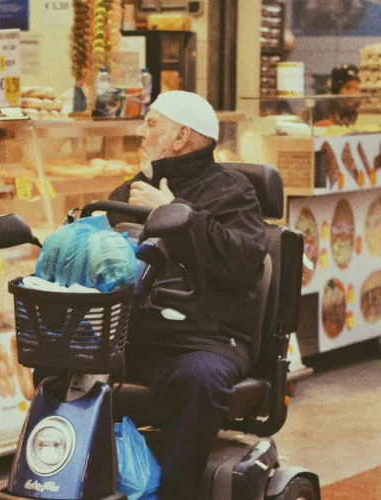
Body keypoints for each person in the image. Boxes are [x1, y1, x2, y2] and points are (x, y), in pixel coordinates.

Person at [108, 91, 267, 499]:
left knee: (198, 380)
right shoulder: (133, 188)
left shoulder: (234, 191)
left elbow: (241, 263)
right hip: (137, 336)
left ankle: (174, 493)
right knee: (64, 368)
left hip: (207, 340)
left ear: (181, 136)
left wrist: (175, 212)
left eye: (151, 123)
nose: (141, 132)